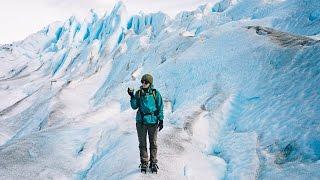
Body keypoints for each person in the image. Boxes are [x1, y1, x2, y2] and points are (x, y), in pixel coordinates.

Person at [127, 74, 164, 173]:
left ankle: (153, 162)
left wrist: (161, 120)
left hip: (153, 121)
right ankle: (144, 162)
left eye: (145, 82)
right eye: (142, 82)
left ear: (150, 83)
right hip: (141, 122)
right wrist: (132, 96)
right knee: (142, 143)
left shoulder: (156, 94)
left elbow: (160, 107)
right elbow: (134, 106)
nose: (143, 84)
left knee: (153, 143)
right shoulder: (139, 93)